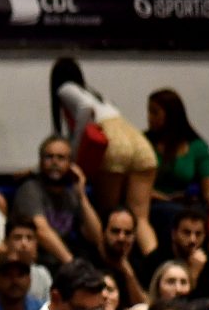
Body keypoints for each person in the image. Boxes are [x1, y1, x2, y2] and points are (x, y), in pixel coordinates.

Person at [50, 58, 158, 254]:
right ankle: (155, 261)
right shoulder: (96, 94)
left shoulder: (66, 88)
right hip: (138, 140)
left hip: (113, 142)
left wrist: (75, 149)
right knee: (140, 218)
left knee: (109, 216)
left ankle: (108, 260)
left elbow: (84, 108)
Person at [12, 135, 103, 269]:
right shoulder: (29, 189)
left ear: (71, 165)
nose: (55, 162)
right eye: (49, 157)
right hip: (36, 262)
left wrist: (82, 196)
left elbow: (96, 237)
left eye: (61, 158)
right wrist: (73, 266)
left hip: (61, 262)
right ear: (40, 162)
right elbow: (42, 232)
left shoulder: (71, 193)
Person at [145, 89, 209, 207]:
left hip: (185, 203)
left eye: (154, 112)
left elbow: (208, 189)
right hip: (151, 203)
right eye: (149, 111)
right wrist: (165, 198)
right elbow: (133, 186)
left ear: (171, 114)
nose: (149, 117)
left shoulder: (196, 146)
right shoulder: (143, 142)